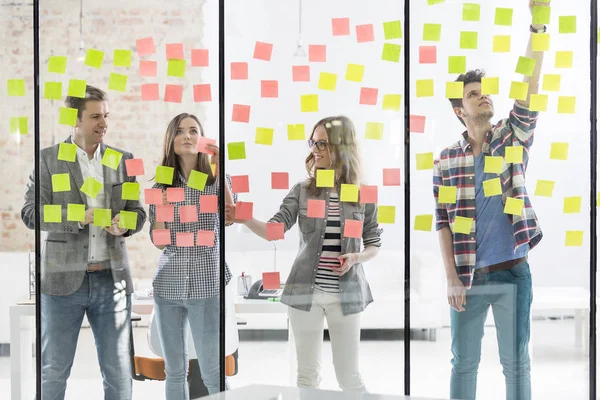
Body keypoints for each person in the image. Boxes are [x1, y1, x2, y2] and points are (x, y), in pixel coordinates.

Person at [433, 2, 549, 399]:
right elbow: (443, 223)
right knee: (463, 364)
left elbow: (529, 89)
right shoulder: (447, 159)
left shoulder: (510, 137)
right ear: (458, 110)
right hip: (468, 276)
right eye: (473, 95)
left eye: (484, 94)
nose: (483, 99)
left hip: (513, 272)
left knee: (516, 362)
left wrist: (538, 30)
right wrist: (451, 277)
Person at [226, 116, 382, 392]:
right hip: (305, 292)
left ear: (342, 146)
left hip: (346, 294)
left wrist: (356, 258)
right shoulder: (303, 190)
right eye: (313, 142)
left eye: (323, 143)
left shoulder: (362, 193)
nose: (315, 149)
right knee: (307, 377)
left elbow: (373, 243)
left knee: (349, 377)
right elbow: (275, 230)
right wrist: (243, 218)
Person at [21, 85, 147, 400]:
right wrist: (79, 216)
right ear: (75, 120)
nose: (103, 123)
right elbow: (30, 213)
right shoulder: (49, 159)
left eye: (106, 115)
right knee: (53, 371)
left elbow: (138, 213)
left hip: (112, 281)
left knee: (118, 374)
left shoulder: (123, 159)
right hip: (62, 283)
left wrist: (124, 225)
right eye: (95, 116)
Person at [148, 113, 236, 399]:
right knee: (174, 372)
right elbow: (160, 243)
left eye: (193, 131)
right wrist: (161, 210)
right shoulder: (160, 185)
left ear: (202, 140)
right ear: (171, 140)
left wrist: (221, 167)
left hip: (206, 285)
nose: (187, 136)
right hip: (168, 285)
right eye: (180, 131)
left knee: (212, 372)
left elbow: (229, 217)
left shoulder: (213, 180)